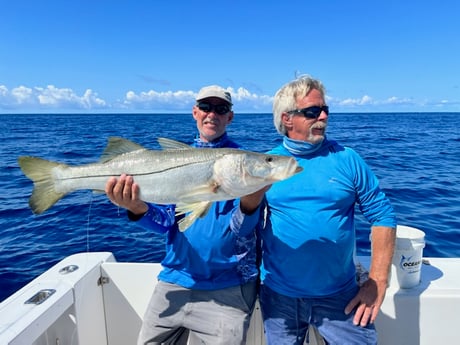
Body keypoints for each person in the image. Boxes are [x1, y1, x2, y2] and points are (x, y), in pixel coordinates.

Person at [105, 85, 265, 345]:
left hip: (229, 288)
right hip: (175, 280)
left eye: (220, 108)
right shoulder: (174, 157)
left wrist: (252, 202)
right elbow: (167, 221)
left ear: (230, 116)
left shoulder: (243, 164)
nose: (212, 114)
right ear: (194, 112)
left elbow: (243, 230)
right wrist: (135, 207)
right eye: (205, 107)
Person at [258, 75, 397, 345]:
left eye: (325, 110)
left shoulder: (347, 159)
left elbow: (383, 216)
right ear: (287, 119)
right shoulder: (266, 164)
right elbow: (246, 224)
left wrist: (378, 280)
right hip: (279, 296)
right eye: (312, 111)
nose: (322, 116)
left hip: (341, 296)